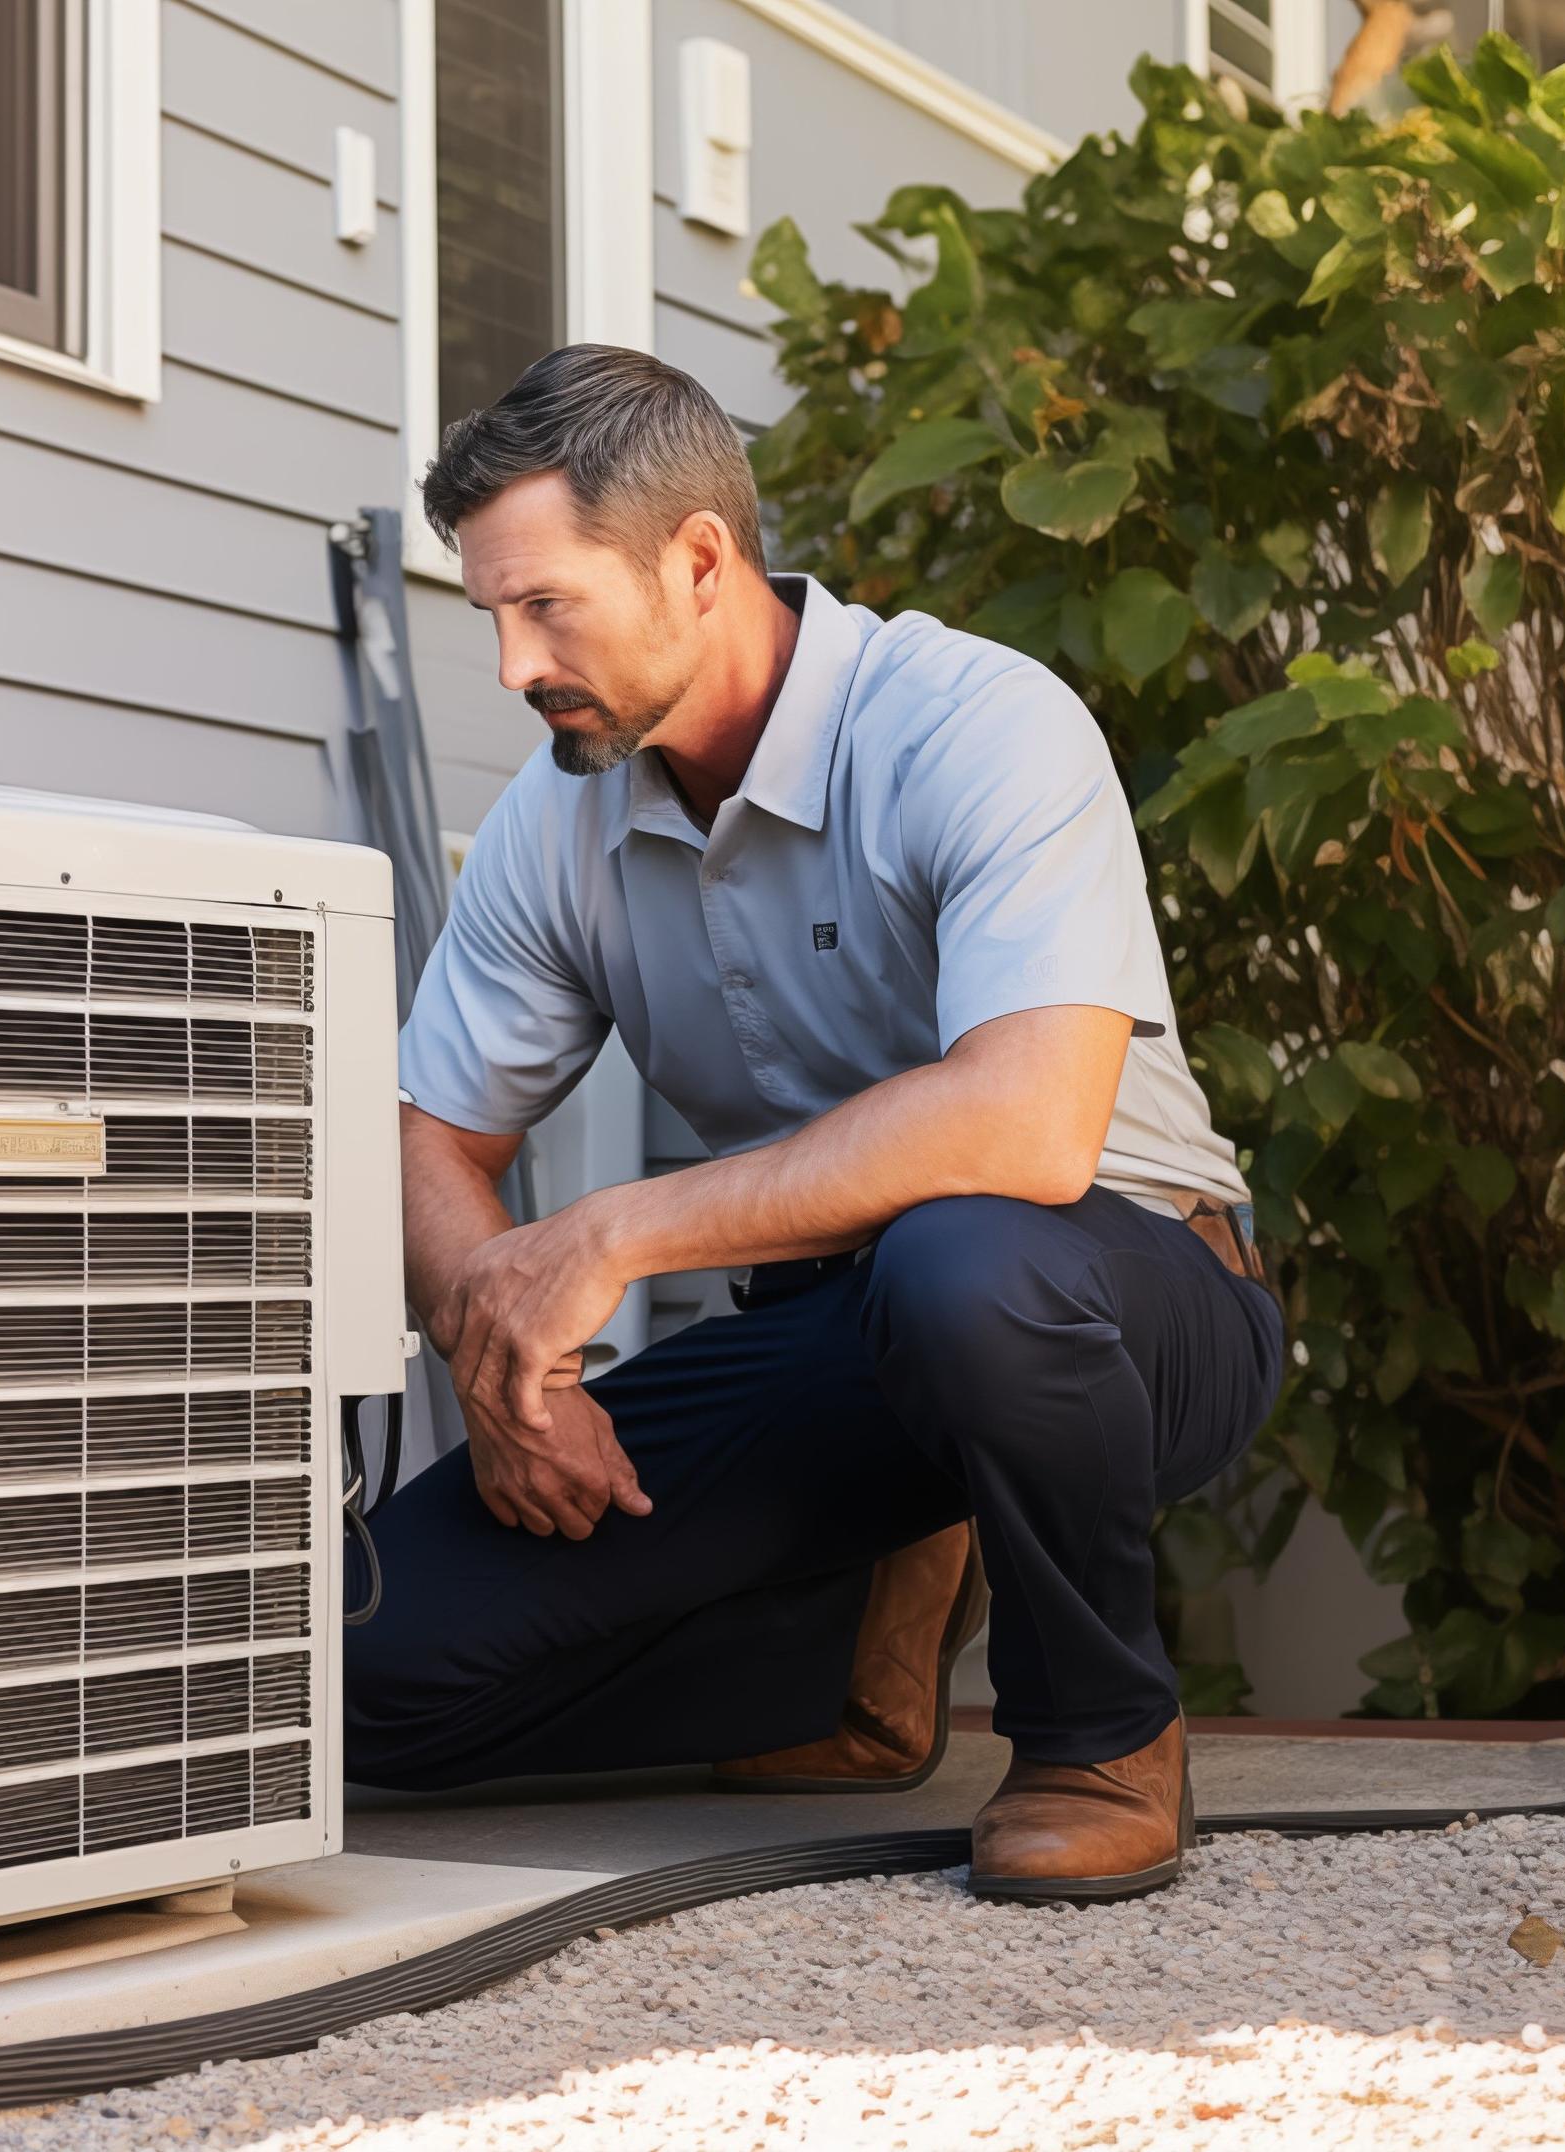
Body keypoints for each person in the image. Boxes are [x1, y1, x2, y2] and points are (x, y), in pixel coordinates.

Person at [346, 345, 1283, 1904]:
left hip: (1125, 1301)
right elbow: (424, 1139)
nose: (514, 665)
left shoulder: (978, 724)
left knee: (967, 1262)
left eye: (547, 607)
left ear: (700, 561)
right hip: (844, 1348)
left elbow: (1034, 1126)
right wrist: (494, 1344)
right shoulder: (560, 819)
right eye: (491, 617)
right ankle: (846, 1658)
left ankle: (1099, 1737)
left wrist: (608, 1236)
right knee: (371, 1666)